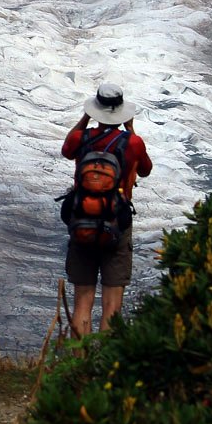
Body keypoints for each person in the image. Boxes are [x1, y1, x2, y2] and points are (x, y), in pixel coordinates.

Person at [61, 83, 152, 335]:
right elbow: (145, 170)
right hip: (117, 223)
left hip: (82, 222)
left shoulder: (82, 138)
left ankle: (79, 366)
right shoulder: (133, 143)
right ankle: (103, 367)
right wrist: (131, 129)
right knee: (112, 305)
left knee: (82, 301)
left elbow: (66, 150)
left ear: (95, 110)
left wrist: (85, 118)